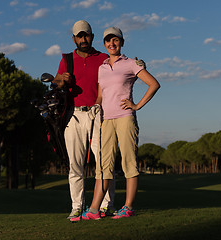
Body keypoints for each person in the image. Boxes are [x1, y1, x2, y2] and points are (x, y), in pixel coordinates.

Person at [74, 27, 160, 220]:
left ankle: (128, 207)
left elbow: (154, 84)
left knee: (129, 162)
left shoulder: (130, 64)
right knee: (103, 167)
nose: (112, 44)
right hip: (105, 120)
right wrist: (96, 107)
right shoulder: (102, 68)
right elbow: (101, 95)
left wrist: (137, 105)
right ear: (104, 44)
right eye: (108, 41)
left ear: (121, 42)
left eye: (116, 40)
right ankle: (94, 210)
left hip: (125, 118)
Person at [53, 20, 116, 220]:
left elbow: (119, 71)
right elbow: (56, 81)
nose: (83, 39)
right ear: (73, 38)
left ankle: (105, 205)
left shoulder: (104, 57)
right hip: (73, 113)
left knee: (104, 161)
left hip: (99, 113)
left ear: (92, 36)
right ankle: (77, 206)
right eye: (79, 36)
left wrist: (139, 65)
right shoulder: (67, 59)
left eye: (86, 35)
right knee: (75, 164)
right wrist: (62, 80)